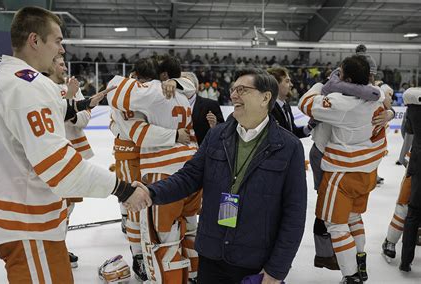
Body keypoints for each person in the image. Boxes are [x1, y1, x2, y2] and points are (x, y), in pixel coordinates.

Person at [0, 7, 149, 283]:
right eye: (58, 41)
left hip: (12, 216)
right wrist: (122, 189)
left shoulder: (4, 76)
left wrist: (82, 103)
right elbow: (60, 169)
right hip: (26, 222)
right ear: (34, 41)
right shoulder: (28, 86)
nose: (62, 49)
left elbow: (53, 113)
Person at [127, 68, 307, 284]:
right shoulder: (217, 135)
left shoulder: (288, 147)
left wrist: (277, 270)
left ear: (265, 97)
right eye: (233, 89)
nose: (233, 95)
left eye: (242, 89)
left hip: (254, 260)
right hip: (212, 254)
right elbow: (188, 176)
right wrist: (151, 191)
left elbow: (294, 215)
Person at [108, 56, 201, 283]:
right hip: (191, 171)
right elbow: (190, 85)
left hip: (161, 173)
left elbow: (114, 90)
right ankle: (194, 274)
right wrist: (179, 82)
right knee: (189, 228)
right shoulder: (182, 93)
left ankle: (148, 263)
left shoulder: (149, 91)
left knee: (155, 231)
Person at [299, 55, 387, 283]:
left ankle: (350, 275)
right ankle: (360, 260)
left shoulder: (340, 102)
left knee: (335, 224)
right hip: (367, 171)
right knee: (353, 217)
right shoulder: (377, 97)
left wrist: (324, 84)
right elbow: (384, 101)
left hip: (342, 173)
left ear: (345, 77)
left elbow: (306, 104)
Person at [46, 54, 95, 268]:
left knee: (69, 206)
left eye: (64, 63)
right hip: (51, 158)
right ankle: (51, 248)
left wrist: (74, 108)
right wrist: (70, 100)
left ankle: (59, 246)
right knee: (54, 206)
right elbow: (51, 117)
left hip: (72, 158)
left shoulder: (71, 86)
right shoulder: (42, 87)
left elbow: (84, 118)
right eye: (60, 63)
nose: (64, 67)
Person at [399, 87, 421, 272]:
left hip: (418, 164)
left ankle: (405, 261)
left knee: (413, 213)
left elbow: (407, 130)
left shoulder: (413, 106)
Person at [268, 67, 311, 138]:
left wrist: (310, 127)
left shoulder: (286, 106)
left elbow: (292, 132)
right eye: (287, 81)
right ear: (275, 84)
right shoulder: (268, 109)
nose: (291, 85)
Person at [184, 72, 225, 145]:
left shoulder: (211, 104)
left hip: (202, 151)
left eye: (186, 83)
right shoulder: (170, 104)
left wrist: (215, 124)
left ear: (195, 87)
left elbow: (223, 129)